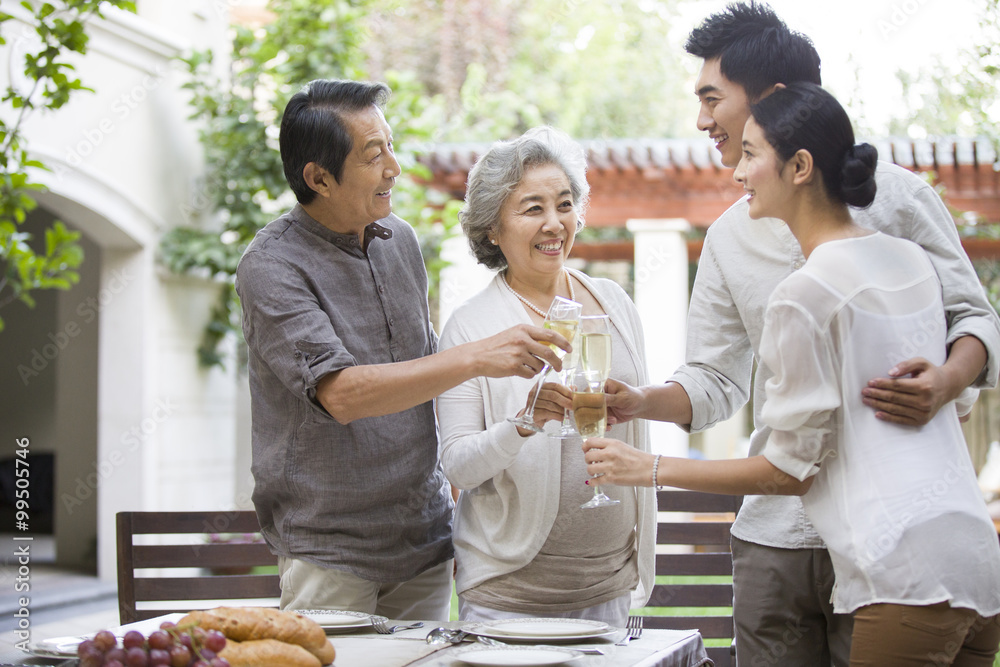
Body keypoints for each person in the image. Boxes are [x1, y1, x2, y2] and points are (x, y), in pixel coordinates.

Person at [602, 3, 1000, 665]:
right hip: (780, 540)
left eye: (711, 98)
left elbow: (975, 318)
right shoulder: (732, 232)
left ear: (775, 102)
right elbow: (717, 378)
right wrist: (644, 400)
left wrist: (949, 380)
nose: (702, 121)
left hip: (890, 545)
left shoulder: (898, 202)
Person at [235, 80, 571, 621]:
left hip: (423, 540)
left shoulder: (400, 241)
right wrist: (480, 355)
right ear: (318, 178)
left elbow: (425, 371)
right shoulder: (272, 266)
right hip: (330, 553)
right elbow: (341, 394)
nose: (393, 166)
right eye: (374, 155)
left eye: (389, 145)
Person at [435, 126, 654, 627]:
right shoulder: (470, 325)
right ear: (492, 227)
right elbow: (458, 467)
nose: (555, 223)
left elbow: (637, 422)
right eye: (533, 208)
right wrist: (523, 423)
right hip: (509, 596)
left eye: (564, 203)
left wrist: (636, 399)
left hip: (611, 585)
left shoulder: (614, 303)